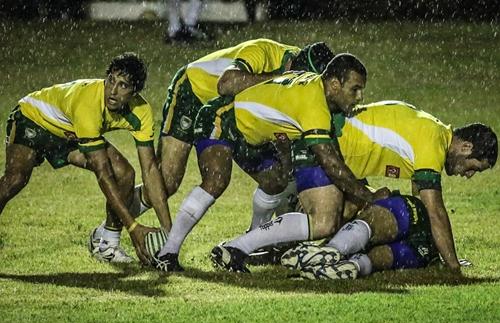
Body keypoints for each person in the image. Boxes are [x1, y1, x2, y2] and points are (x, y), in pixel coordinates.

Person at [112, 39, 334, 270]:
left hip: (244, 113)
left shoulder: (307, 85)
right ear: (291, 66)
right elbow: (226, 84)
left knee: (276, 179)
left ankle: (255, 242)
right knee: (167, 181)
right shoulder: (264, 52)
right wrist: (283, 81)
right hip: (195, 92)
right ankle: (112, 232)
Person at [212, 100, 498, 273]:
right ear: (465, 146)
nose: (468, 175)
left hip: (337, 156)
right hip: (323, 147)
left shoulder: (433, 133)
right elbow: (434, 211)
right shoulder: (432, 142)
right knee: (324, 222)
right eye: (474, 167)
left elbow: (421, 209)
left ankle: (291, 252)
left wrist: (435, 252)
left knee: (352, 211)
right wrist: (453, 266)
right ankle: (237, 247)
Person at [179, 53, 389, 274]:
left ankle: (246, 247)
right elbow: (328, 162)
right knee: (323, 220)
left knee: (295, 193)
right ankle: (231, 247)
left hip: (267, 135)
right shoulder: (314, 106)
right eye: (355, 89)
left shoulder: (313, 88)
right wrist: (369, 196)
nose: (360, 97)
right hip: (238, 129)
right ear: (335, 85)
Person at [0, 53, 171, 264]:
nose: (113, 91)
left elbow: (150, 170)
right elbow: (103, 173)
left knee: (125, 174)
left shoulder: (141, 111)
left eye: (123, 85)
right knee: (15, 178)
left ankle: (106, 243)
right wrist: (134, 228)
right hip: (33, 118)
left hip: (70, 131)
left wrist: (170, 235)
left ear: (134, 92)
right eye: (111, 80)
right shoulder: (88, 102)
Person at [281, 194, 441, 280]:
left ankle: (332, 250)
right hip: (423, 250)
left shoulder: (341, 191)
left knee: (370, 220)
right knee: (375, 259)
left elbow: (378, 194)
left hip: (411, 215)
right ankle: (354, 266)